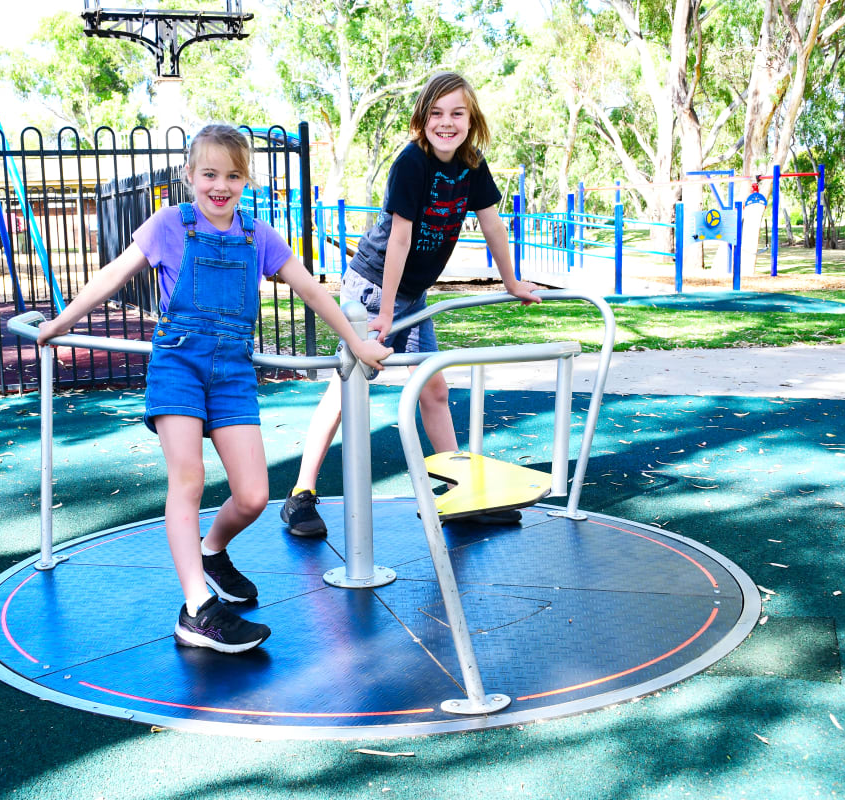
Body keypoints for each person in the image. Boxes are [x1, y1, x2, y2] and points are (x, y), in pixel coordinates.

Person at [37, 124, 391, 653]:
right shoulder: (168, 225)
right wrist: (61, 322)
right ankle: (197, 607)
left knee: (253, 496)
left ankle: (212, 549)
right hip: (178, 363)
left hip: (231, 370)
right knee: (189, 478)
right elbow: (112, 276)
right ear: (189, 176)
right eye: (209, 174)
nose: (219, 186)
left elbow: (313, 291)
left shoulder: (259, 236)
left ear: (245, 179)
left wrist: (357, 346)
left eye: (231, 175)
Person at [281, 71, 542, 537]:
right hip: (373, 286)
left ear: (471, 119)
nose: (447, 123)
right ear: (422, 121)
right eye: (436, 114)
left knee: (434, 389)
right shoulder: (412, 163)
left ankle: (462, 492)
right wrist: (382, 313)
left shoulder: (472, 165)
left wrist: (512, 281)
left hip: (412, 292)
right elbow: (400, 240)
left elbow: (493, 225)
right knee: (348, 388)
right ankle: (301, 493)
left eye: (456, 113)